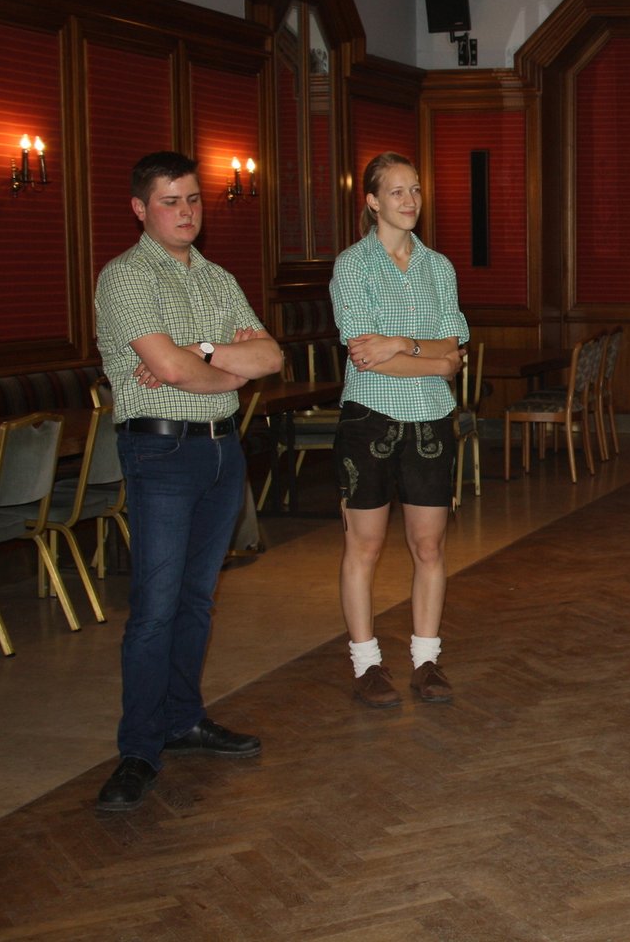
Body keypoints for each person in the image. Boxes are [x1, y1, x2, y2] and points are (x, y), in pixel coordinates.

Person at [93, 151, 283, 812]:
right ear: (140, 208)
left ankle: (182, 720)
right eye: (170, 201)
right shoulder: (125, 277)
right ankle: (139, 748)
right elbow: (167, 371)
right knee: (156, 605)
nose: (186, 212)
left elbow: (270, 356)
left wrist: (201, 353)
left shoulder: (217, 277)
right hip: (161, 453)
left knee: (198, 599)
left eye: (194, 199)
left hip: (222, 451)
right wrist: (225, 369)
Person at [330, 152, 467, 708]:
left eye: (415, 190)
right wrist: (432, 360)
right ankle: (366, 664)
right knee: (363, 546)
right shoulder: (353, 266)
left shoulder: (439, 267)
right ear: (371, 201)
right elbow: (366, 360)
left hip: (431, 419)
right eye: (396, 192)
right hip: (369, 418)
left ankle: (426, 660)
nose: (410, 201)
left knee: (429, 545)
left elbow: (454, 352)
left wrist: (401, 344)